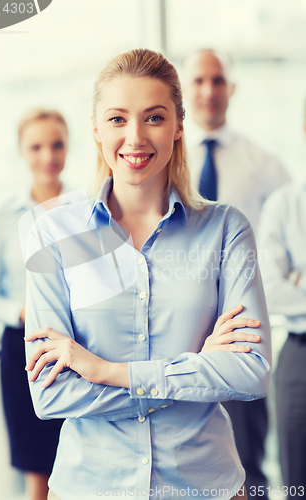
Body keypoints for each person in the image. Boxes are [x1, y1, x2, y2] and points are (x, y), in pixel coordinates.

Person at [24, 49, 271, 500]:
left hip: (206, 487)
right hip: (89, 487)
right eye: (117, 119)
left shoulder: (225, 230)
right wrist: (195, 371)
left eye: (153, 117)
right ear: (96, 130)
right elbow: (51, 396)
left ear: (179, 126)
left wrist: (105, 371)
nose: (135, 137)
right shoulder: (54, 234)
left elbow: (249, 372)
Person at [182, 48, 290, 498]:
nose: (209, 91)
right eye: (200, 81)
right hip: (181, 329)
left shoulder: (263, 165)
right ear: (186, 91)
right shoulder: (159, 162)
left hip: (241, 332)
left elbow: (295, 229)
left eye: (219, 80)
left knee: (249, 467)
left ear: (232, 87)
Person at [0, 109, 71, 500]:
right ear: (22, 151)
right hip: (24, 352)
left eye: (56, 144)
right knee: (37, 474)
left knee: (81, 464)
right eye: (36, 146)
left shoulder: (88, 211)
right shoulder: (1, 219)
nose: (47, 155)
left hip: (76, 347)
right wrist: (20, 310)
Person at [258, 179, 306, 497]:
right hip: (300, 350)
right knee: (297, 478)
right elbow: (269, 291)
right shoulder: (285, 203)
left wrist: (298, 281)